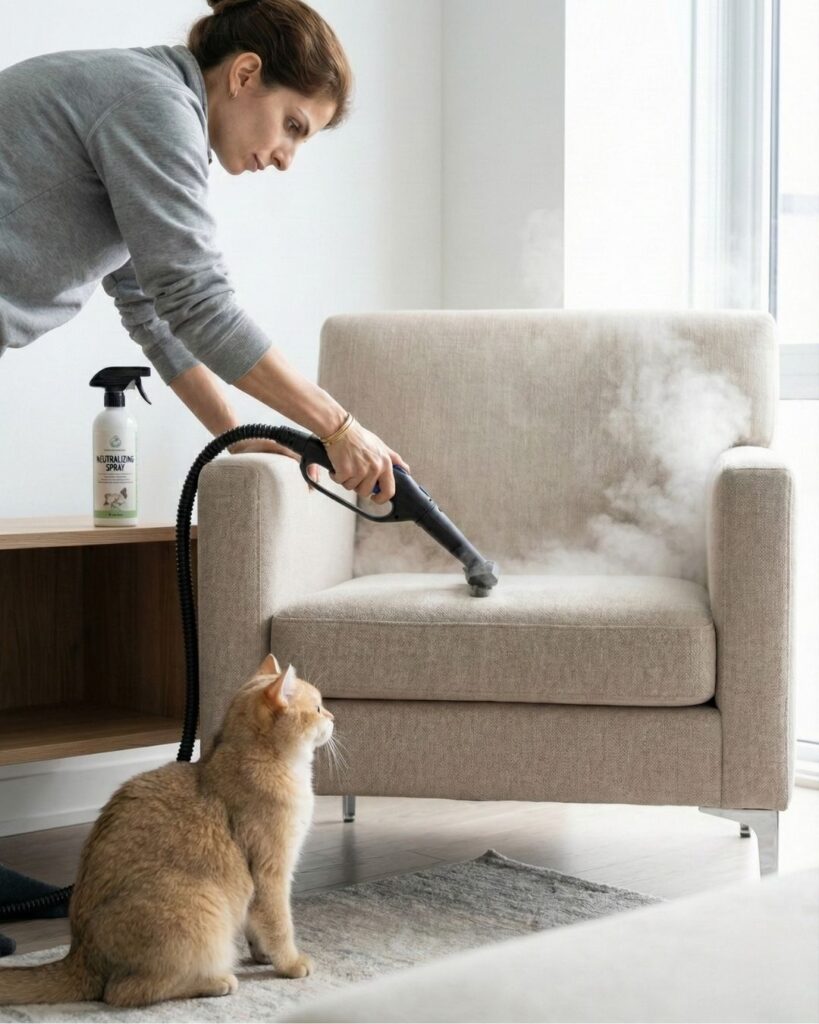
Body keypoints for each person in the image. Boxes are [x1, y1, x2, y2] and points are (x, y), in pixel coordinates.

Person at [0, 0, 411, 502]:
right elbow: (197, 301)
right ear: (244, 73)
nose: (287, 159)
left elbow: (152, 307)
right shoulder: (153, 104)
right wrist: (340, 427)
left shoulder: (145, 97)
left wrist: (232, 433)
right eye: (293, 125)